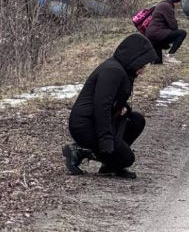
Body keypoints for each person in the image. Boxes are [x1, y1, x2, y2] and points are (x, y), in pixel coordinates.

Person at [63, 33, 158, 179]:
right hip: (85, 125)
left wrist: (124, 107)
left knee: (136, 120)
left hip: (97, 121)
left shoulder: (123, 70)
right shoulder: (113, 71)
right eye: (142, 65)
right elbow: (102, 106)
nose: (143, 70)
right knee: (127, 159)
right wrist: (106, 140)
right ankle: (80, 151)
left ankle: (109, 164)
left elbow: (114, 100)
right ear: (134, 59)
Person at [145, 0, 187, 65]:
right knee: (182, 33)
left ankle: (154, 59)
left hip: (151, 34)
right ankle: (169, 56)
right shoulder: (167, 7)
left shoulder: (162, 4)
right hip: (157, 34)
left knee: (157, 62)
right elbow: (173, 26)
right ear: (176, 1)